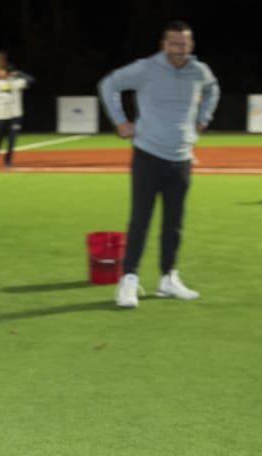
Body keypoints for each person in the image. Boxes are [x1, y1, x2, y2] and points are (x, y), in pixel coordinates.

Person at [98, 20, 220, 308]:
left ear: (191, 45)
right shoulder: (146, 68)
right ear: (164, 45)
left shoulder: (198, 70)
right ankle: (128, 280)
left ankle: (168, 278)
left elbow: (213, 89)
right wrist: (120, 121)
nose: (180, 49)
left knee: (174, 224)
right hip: (148, 155)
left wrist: (204, 118)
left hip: (181, 159)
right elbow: (109, 84)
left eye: (185, 44)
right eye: (174, 44)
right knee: (140, 220)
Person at [0, 64, 35, 169]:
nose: (0, 73)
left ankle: (8, 162)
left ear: (8, 72)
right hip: (1, 116)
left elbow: (32, 80)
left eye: (2, 71)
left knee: (11, 141)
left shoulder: (18, 82)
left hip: (15, 116)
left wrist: (19, 73)